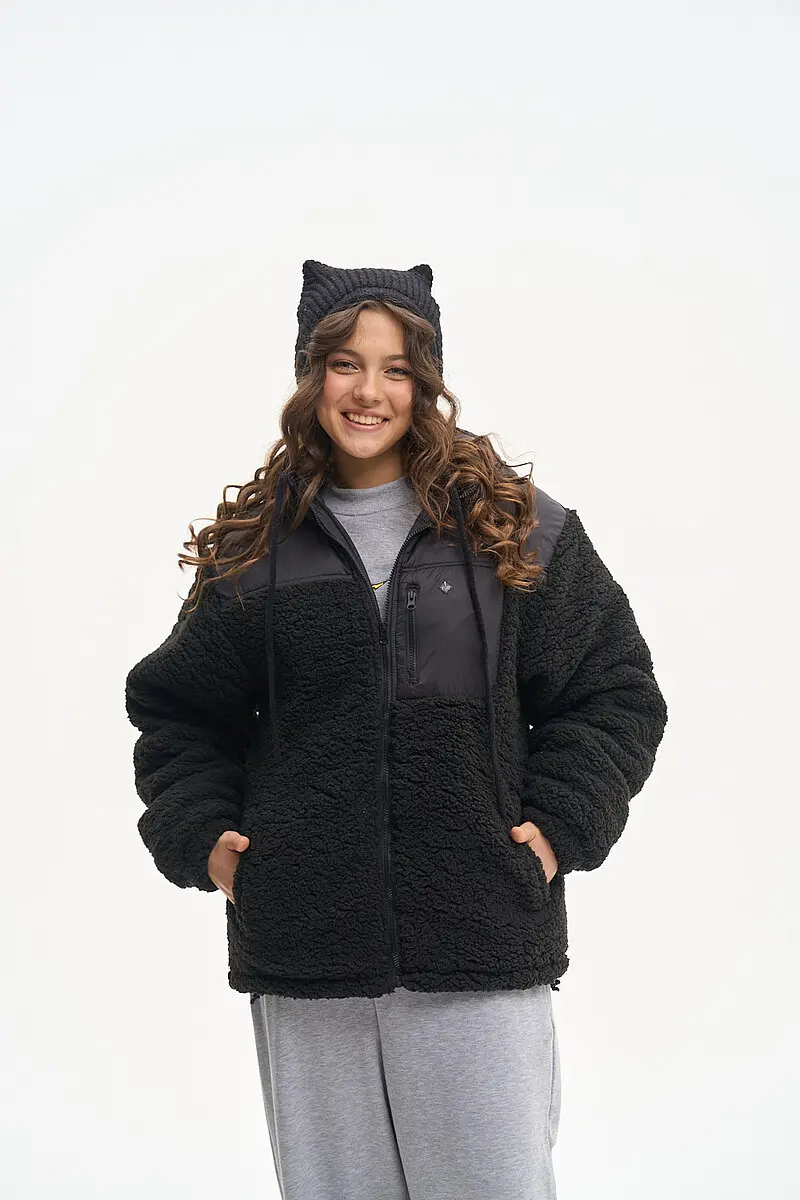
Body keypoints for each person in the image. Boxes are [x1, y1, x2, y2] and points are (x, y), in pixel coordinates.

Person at [124, 258, 668, 1199]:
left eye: (397, 368)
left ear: (427, 382)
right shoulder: (258, 550)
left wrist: (558, 827)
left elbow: (614, 689)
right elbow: (179, 712)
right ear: (310, 377)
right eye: (344, 363)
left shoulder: (513, 529)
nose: (368, 391)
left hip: (480, 945)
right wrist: (205, 839)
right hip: (307, 953)